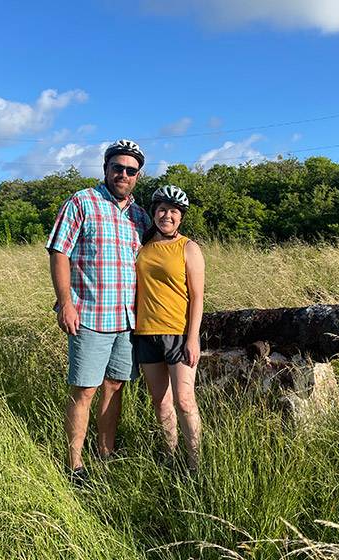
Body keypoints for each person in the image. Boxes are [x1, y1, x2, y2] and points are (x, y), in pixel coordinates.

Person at [46, 139, 151, 484]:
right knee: (84, 390)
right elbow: (59, 251)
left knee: (115, 387)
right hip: (90, 314)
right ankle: (74, 465)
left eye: (130, 170)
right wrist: (65, 302)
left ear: (138, 175)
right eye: (117, 168)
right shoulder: (82, 202)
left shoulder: (140, 216)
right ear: (105, 168)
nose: (123, 174)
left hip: (127, 318)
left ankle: (106, 453)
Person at [133, 185, 205, 471]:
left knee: (185, 401)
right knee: (160, 403)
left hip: (178, 332)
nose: (167, 215)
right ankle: (170, 455)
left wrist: (193, 338)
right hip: (146, 332)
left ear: (181, 217)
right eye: (162, 210)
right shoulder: (144, 246)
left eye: (173, 211)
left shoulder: (188, 247)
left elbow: (198, 295)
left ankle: (194, 462)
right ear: (154, 213)